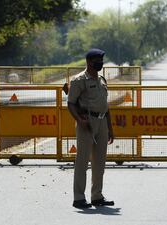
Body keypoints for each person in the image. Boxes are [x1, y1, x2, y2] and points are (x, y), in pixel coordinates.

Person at [67, 48, 115, 209]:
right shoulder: (79, 80)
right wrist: (79, 120)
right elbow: (71, 103)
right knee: (82, 161)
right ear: (89, 62)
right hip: (86, 122)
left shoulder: (102, 80)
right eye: (97, 61)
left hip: (102, 122)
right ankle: (79, 198)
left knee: (99, 162)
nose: (100, 63)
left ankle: (97, 196)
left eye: (101, 60)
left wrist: (110, 128)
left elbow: (105, 106)